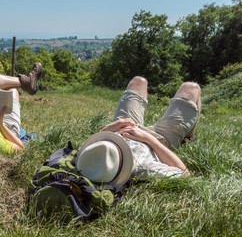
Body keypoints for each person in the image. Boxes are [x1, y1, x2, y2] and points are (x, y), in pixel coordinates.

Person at [73, 76, 201, 187]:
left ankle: (187, 130)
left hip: (120, 130)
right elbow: (185, 174)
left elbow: (93, 147)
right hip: (158, 139)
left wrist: (108, 130)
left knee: (138, 82)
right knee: (191, 88)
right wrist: (148, 139)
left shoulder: (91, 160)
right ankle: (189, 135)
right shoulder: (143, 168)